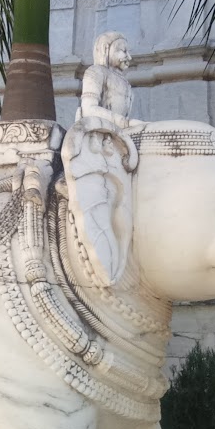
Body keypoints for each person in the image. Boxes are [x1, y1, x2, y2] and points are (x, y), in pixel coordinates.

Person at [62, 32, 140, 287]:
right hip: (99, 144)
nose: (128, 56)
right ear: (106, 51)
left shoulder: (123, 82)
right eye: (122, 50)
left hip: (119, 142)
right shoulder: (96, 73)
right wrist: (123, 123)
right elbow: (89, 109)